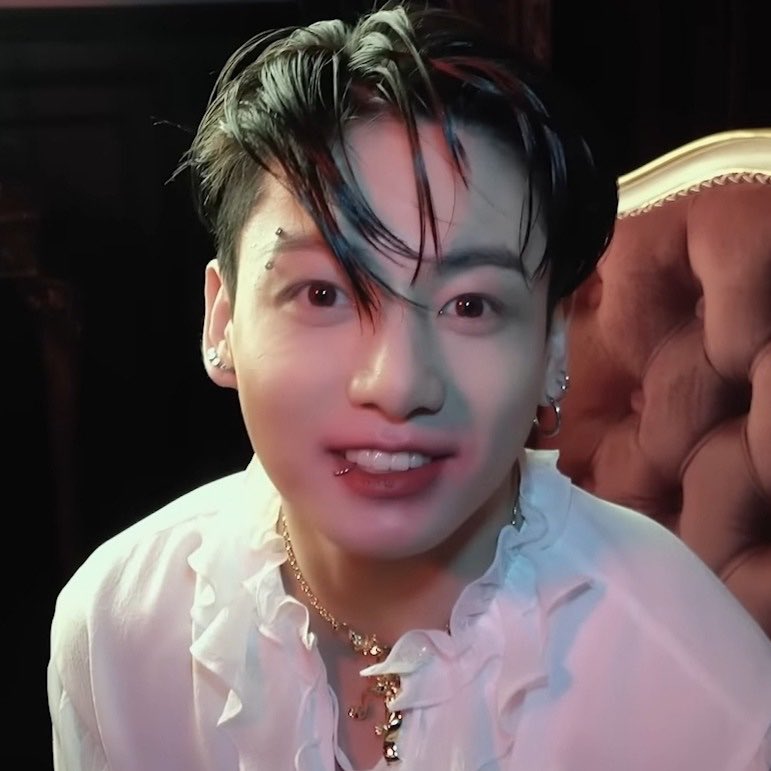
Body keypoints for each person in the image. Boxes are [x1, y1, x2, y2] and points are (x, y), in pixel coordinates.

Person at [47, 4, 771, 770]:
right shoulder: (118, 628)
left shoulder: (697, 683)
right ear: (222, 319)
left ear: (552, 342)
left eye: (470, 305)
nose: (395, 385)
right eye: (322, 293)